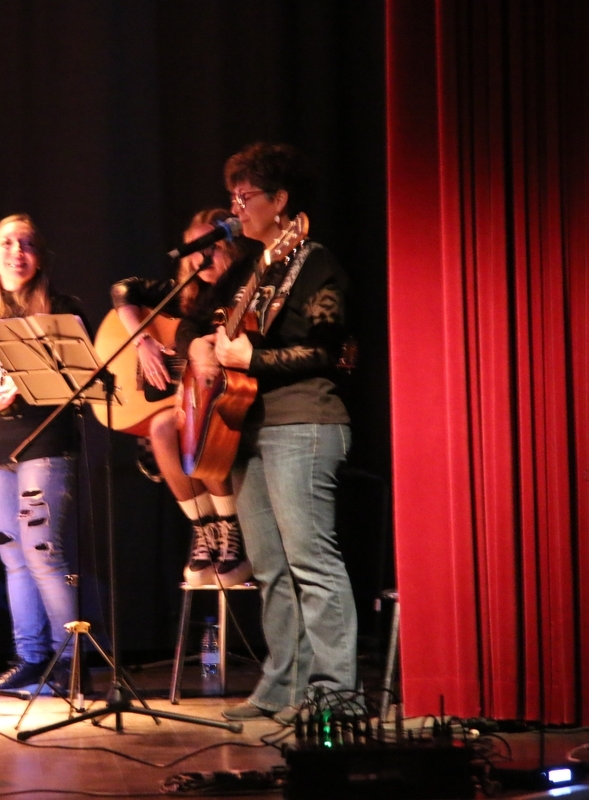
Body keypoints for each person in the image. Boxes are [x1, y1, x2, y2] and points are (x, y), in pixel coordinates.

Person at [178, 143, 354, 723]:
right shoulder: (252, 270)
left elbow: (326, 350)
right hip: (246, 427)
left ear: (280, 202)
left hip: (304, 423)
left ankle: (335, 691)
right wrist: (202, 347)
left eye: (245, 196)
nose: (236, 207)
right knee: (270, 567)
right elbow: (198, 326)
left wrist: (252, 357)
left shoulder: (317, 264)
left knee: (310, 561)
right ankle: (283, 686)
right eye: (233, 197)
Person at [0, 214, 82, 693]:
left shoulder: (62, 311)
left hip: (43, 444)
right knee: (12, 558)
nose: (16, 253)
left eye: (26, 244)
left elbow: (82, 381)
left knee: (42, 554)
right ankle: (31, 659)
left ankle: (69, 663)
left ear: (40, 257)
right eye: (7, 243)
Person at [109, 209, 255, 588]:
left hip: (238, 403)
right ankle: (205, 528)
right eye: (194, 249)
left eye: (213, 247)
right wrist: (143, 341)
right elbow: (124, 290)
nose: (200, 257)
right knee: (160, 428)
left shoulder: (246, 288)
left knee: (200, 419)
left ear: (233, 249)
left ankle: (230, 527)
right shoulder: (189, 294)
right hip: (198, 397)